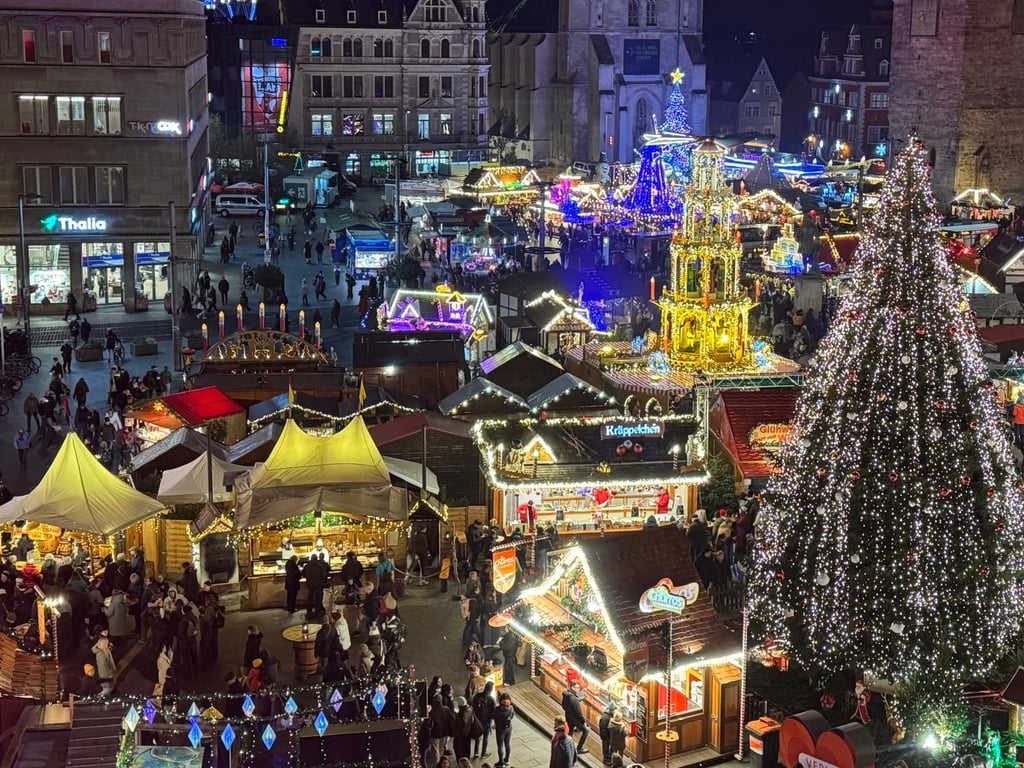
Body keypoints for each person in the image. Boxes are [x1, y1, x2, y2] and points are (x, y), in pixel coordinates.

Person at [561, 681, 589, 753]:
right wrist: (583, 722)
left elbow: (563, 706)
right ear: (572, 687)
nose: (578, 689)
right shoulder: (574, 699)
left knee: (570, 732)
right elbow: (578, 713)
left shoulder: (566, 695)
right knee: (586, 731)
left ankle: (568, 746)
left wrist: (581, 698)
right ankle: (579, 749)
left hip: (568, 717)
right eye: (577, 688)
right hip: (575, 719)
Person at [471, 681, 496, 759]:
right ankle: (483, 753)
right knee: (485, 737)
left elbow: (473, 706)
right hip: (487, 722)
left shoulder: (478, 696)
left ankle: (476, 752)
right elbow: (493, 712)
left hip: (478, 720)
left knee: (478, 736)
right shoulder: (491, 699)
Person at [452, 696, 482, 761]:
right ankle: (466, 762)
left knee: (458, 749)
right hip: (468, 734)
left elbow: (459, 724)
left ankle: (461, 763)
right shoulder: (470, 708)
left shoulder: (461, 714)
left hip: (461, 736)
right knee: (466, 750)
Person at [492, 692, 514, 768]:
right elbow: (512, 716)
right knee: (507, 744)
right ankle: (507, 760)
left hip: (500, 729)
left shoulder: (498, 709)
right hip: (509, 728)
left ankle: (501, 762)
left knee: (500, 745)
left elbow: (494, 717)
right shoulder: (511, 707)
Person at [92, 631, 116, 695]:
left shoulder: (105, 649)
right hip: (103, 667)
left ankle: (108, 689)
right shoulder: (101, 652)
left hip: (105, 667)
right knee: (105, 677)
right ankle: (106, 689)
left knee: (107, 676)